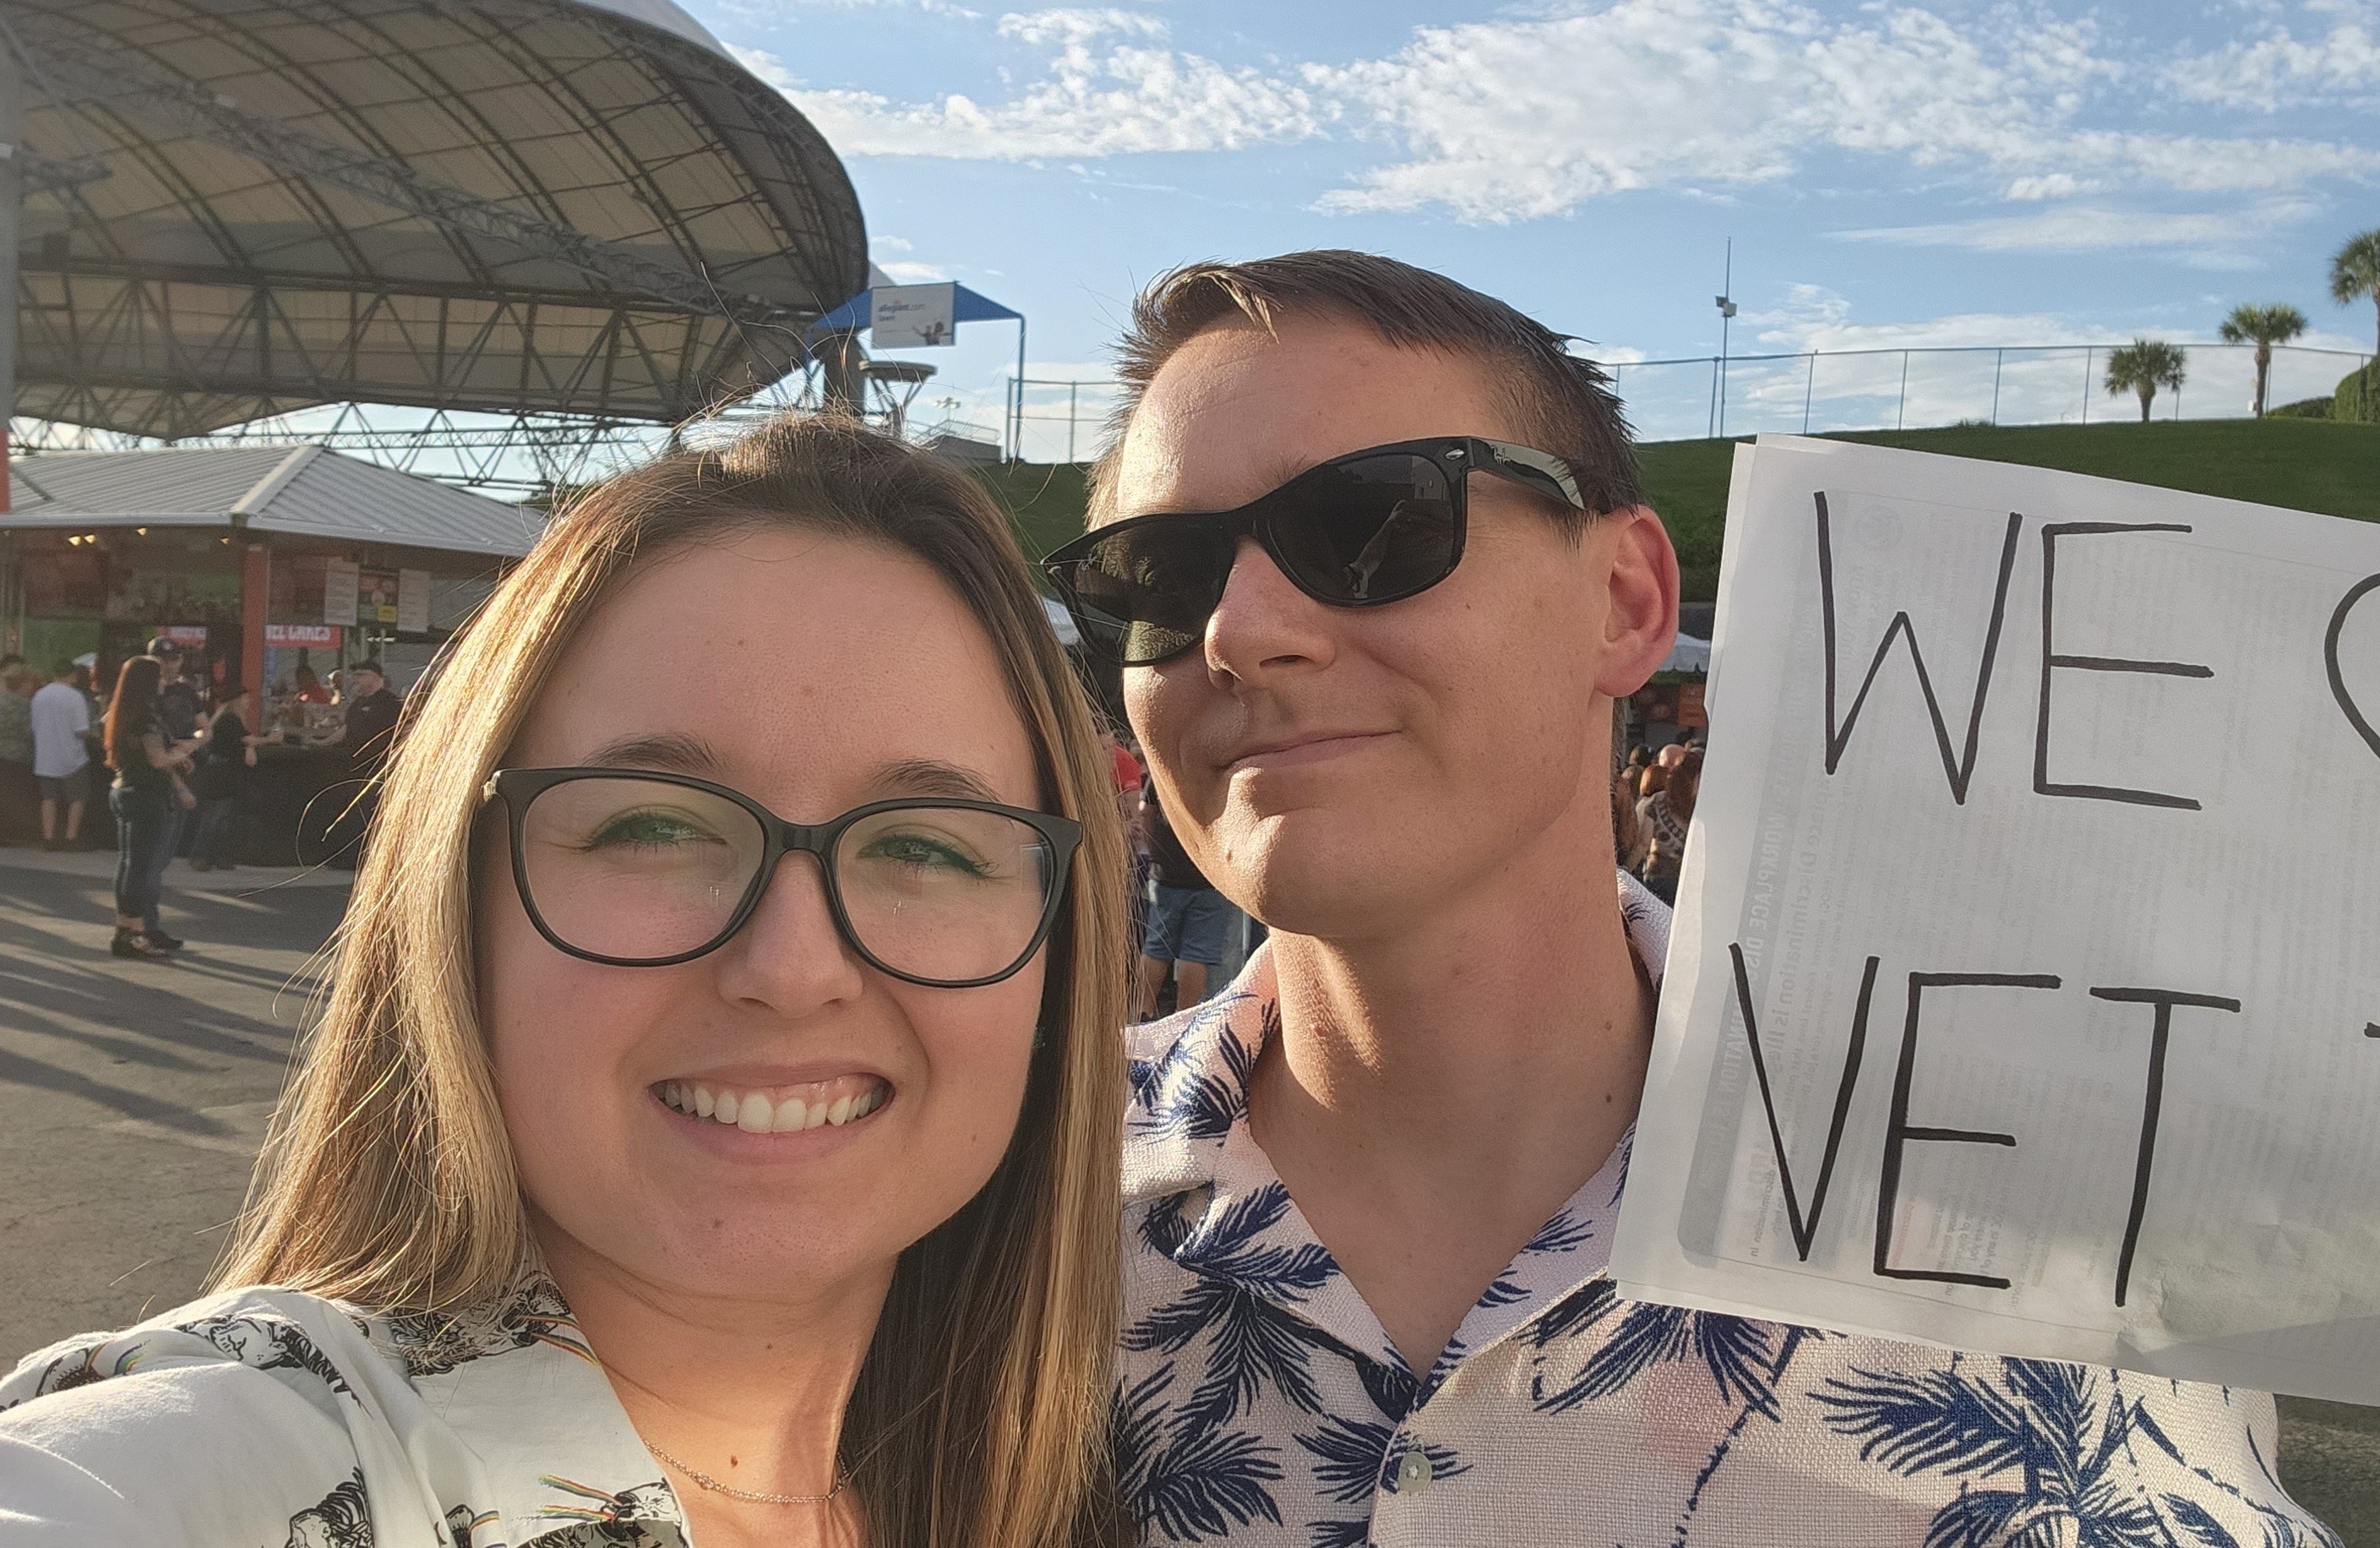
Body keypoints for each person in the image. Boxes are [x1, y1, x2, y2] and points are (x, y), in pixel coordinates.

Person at [1044, 251, 2331, 1545]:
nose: (1237, 631)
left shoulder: (2065, 1225)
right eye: (1157, 577)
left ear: (1626, 601)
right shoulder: (1006, 1198)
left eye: (1368, 526)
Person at [0, 416, 1132, 1548]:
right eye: (652, 827)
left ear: (1057, 961)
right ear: (457, 909)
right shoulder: (216, 1467)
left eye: (928, 847)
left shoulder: (1103, 1477)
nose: (793, 970)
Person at [101, 655, 196, 960]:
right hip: (146, 795)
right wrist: (179, 756)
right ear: (147, 682)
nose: (164, 681)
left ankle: (125, 929)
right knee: (141, 867)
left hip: (123, 788)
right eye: (159, 677)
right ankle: (135, 933)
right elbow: (156, 758)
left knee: (127, 864)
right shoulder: (146, 716)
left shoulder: (121, 712)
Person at [1131, 771, 1228, 1021]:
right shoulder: (1217, 768)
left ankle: (1143, 1013)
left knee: (1156, 947)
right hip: (1208, 874)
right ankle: (1183, 1018)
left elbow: (1146, 813)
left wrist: (1155, 851)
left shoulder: (1164, 767)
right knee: (1196, 952)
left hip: (1166, 872)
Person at [189, 681, 277, 871]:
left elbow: (245, 744)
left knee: (224, 817)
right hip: (221, 772)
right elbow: (247, 739)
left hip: (226, 771)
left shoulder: (231, 719)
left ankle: (216, 856)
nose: (248, 702)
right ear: (237, 700)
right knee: (214, 815)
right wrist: (271, 739)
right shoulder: (230, 719)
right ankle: (200, 855)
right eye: (245, 698)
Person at [30, 660, 93, 849]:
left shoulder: (39, 695)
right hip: (72, 756)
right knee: (77, 798)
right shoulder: (75, 697)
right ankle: (71, 838)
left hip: (45, 755)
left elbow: (33, 727)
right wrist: (94, 731)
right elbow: (80, 731)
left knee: (48, 798)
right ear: (73, 675)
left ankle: (48, 838)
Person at [1636, 744, 1699, 905]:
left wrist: (1627, 868)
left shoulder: (1658, 800)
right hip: (1690, 880)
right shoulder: (1702, 807)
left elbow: (1643, 842)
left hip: (1657, 877)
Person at [0, 658, 35, 842]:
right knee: (16, 795)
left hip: (2, 753)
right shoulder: (26, 706)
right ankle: (13, 833)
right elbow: (30, 731)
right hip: (20, 755)